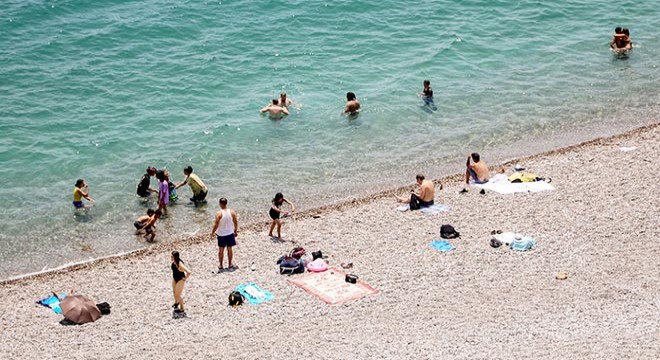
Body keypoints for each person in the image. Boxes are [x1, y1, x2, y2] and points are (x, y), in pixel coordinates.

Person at [210, 198, 238, 272]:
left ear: (220, 204)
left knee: (221, 250)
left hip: (221, 234)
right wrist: (235, 230)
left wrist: (212, 232)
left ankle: (221, 265)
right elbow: (235, 221)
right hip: (230, 233)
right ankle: (230, 264)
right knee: (230, 249)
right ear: (226, 203)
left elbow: (216, 225)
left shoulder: (219, 213)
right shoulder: (232, 212)